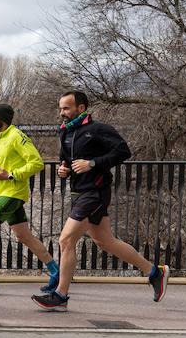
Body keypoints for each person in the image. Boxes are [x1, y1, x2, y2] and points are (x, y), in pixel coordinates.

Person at [31, 91, 170, 311]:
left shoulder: (98, 130)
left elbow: (123, 151)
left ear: (81, 108)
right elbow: (65, 161)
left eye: (66, 108)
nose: (62, 113)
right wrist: (63, 170)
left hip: (95, 192)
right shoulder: (65, 133)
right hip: (78, 193)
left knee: (66, 239)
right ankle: (155, 272)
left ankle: (61, 295)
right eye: (61, 109)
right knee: (106, 242)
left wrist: (92, 164)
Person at [0, 103, 58, 293]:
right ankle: (56, 273)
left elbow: (37, 163)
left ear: (3, 118)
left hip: (14, 193)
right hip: (5, 193)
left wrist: (11, 175)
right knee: (24, 236)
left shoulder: (17, 136)